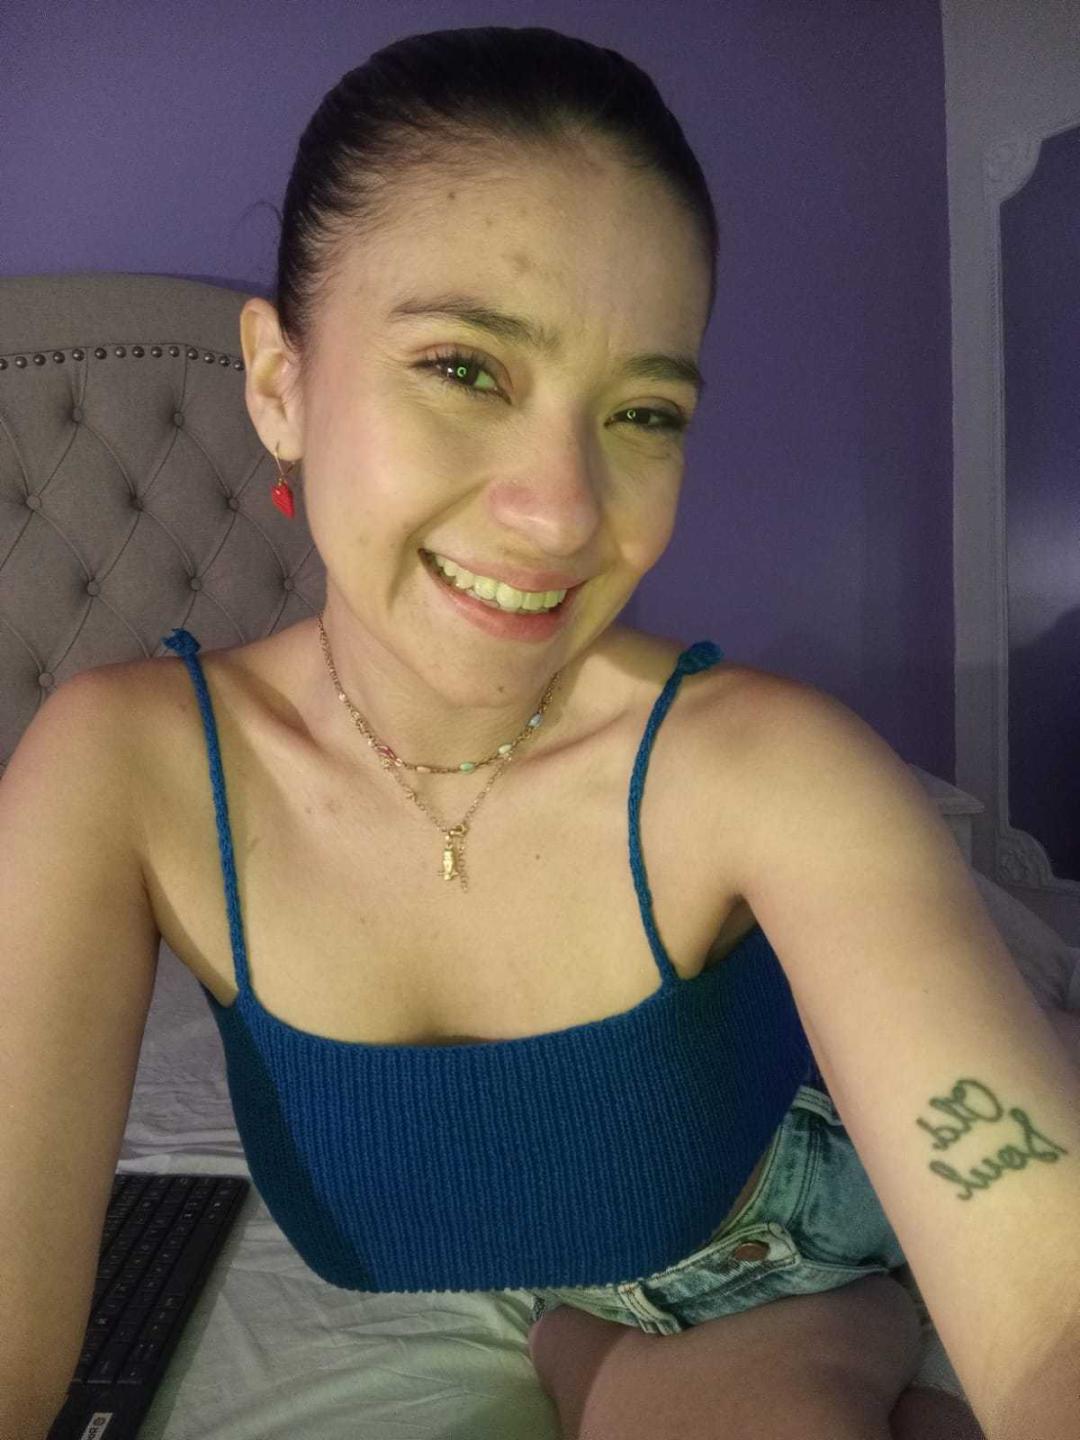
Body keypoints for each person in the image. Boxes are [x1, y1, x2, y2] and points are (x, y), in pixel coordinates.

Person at [154, 25, 989, 1439]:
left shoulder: (767, 763)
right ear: (279, 383)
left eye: (644, 411)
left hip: (813, 1215)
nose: (563, 513)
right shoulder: (130, 771)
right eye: (465, 368)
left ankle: (832, 1309)